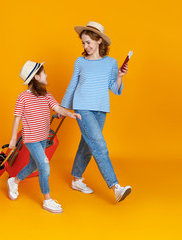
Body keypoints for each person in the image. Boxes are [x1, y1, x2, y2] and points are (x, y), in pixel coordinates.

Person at [61, 21, 131, 202]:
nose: (86, 46)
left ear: (100, 40)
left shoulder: (111, 63)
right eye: (83, 43)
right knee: (99, 146)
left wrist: (120, 77)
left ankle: (76, 179)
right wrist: (62, 108)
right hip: (82, 107)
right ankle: (116, 187)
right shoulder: (80, 61)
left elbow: (114, 90)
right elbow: (72, 85)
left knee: (88, 145)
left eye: (89, 42)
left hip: (101, 109)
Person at [7, 60, 81, 214]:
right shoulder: (23, 97)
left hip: (43, 137)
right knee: (44, 167)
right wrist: (13, 139)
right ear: (36, 77)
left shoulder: (47, 95)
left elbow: (58, 108)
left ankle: (14, 181)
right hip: (31, 139)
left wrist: (69, 113)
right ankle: (47, 200)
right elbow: (17, 118)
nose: (46, 75)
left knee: (33, 165)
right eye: (43, 73)